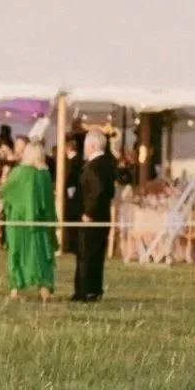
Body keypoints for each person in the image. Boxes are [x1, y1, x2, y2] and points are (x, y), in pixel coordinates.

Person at [2, 136, 56, 297]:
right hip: (40, 222)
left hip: (18, 220)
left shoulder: (19, 173)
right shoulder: (45, 175)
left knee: (17, 251)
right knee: (40, 253)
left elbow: (5, 192)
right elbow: (48, 201)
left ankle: (15, 288)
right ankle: (44, 288)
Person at [71, 129, 120, 302]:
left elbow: (98, 190)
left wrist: (88, 212)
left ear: (91, 145)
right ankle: (94, 289)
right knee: (96, 256)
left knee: (86, 255)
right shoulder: (107, 164)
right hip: (103, 217)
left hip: (91, 219)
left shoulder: (94, 166)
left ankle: (84, 291)